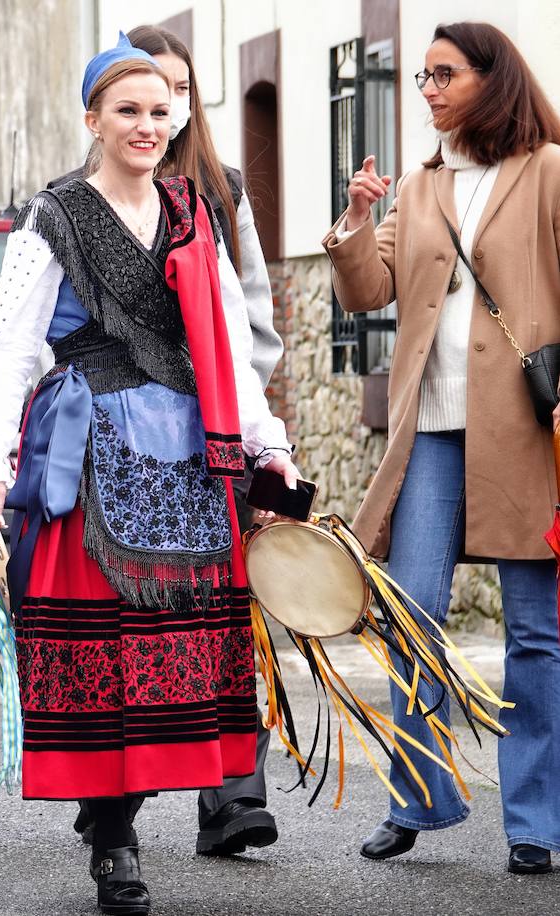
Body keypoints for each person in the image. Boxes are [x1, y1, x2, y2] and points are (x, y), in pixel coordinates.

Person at [0, 35, 298, 914]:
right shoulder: (58, 215)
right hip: (91, 451)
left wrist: (267, 444)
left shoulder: (192, 209)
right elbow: (7, 345)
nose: (147, 126)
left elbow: (224, 341)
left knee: (176, 662)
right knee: (100, 659)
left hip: (188, 455)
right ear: (93, 120)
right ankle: (113, 839)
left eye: (160, 111)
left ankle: (123, 804)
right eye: (128, 112)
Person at [323, 21, 560, 875]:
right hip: (430, 431)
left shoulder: (546, 171)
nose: (425, 90)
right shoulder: (420, 187)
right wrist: (356, 222)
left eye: (442, 75)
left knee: (536, 630)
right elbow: (369, 289)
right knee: (410, 614)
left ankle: (535, 821)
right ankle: (418, 797)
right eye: (420, 77)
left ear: (491, 79)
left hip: (527, 436)